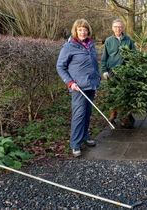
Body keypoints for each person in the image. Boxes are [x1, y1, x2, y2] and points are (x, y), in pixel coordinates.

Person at [56, 19, 101, 157]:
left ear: (88, 31)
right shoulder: (69, 47)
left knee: (87, 113)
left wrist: (97, 80)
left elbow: (94, 64)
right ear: (75, 31)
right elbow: (60, 66)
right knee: (79, 115)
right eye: (80, 30)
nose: (83, 32)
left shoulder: (90, 45)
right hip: (78, 87)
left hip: (91, 85)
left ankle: (85, 137)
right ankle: (75, 144)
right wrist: (70, 82)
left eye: (85, 29)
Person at [100, 19, 136, 125]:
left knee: (125, 94)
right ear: (112, 28)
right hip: (112, 71)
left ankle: (125, 116)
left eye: (120, 27)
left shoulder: (128, 40)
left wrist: (132, 68)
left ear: (123, 28)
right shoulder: (108, 41)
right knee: (112, 93)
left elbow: (134, 55)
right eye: (115, 27)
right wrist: (104, 71)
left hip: (125, 72)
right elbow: (104, 57)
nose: (118, 29)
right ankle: (113, 114)